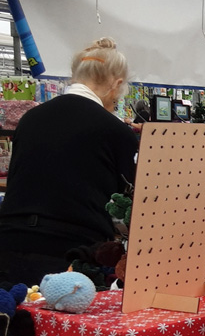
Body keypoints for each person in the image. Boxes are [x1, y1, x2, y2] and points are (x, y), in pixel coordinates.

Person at [0, 37, 138, 285]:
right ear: (117, 85)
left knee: (13, 319)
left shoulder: (30, 119)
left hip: (8, 243)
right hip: (71, 255)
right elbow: (131, 204)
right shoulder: (115, 131)